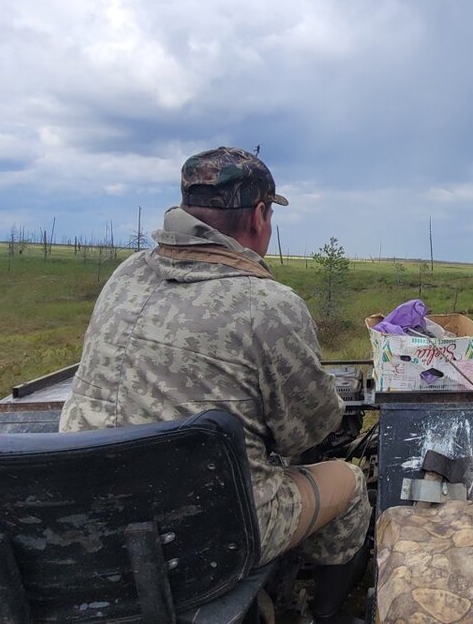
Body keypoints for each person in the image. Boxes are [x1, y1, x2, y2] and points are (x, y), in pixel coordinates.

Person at [59, 146, 370, 623]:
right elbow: (307, 433)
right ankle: (324, 615)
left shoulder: (126, 274)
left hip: (95, 504)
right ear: (261, 216)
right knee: (348, 483)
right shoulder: (268, 304)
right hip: (211, 532)